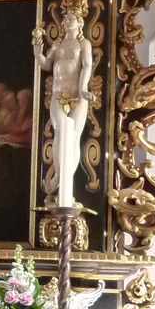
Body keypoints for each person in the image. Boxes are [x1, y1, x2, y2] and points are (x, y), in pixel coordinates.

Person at [32, 13, 92, 208]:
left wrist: (83, 88)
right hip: (58, 94)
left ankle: (62, 179)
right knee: (59, 133)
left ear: (80, 23)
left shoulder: (84, 45)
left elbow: (87, 66)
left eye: (71, 18)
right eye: (65, 18)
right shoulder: (57, 44)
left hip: (77, 94)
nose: (67, 21)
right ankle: (58, 174)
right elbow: (46, 64)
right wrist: (38, 52)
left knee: (73, 136)